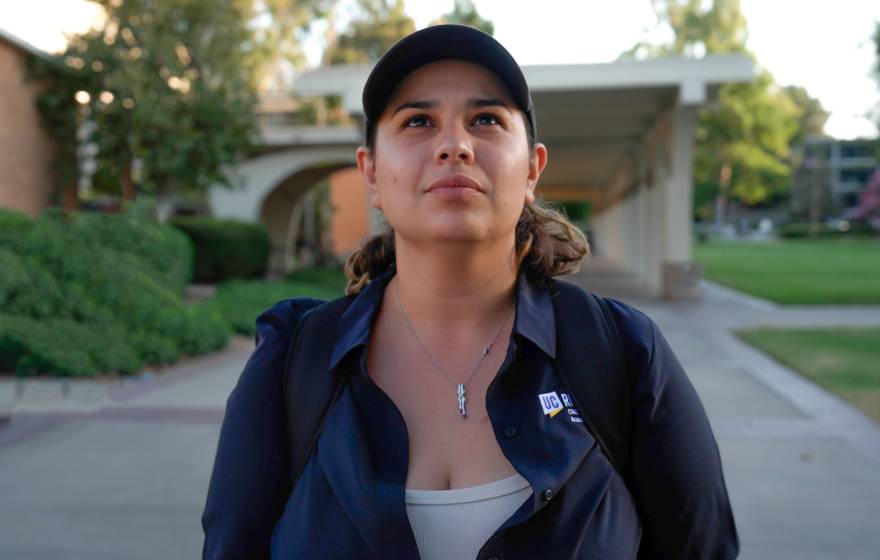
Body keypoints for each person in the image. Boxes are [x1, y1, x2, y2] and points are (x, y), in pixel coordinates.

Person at [202, 25, 739, 560]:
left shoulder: (623, 353)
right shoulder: (294, 363)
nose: (454, 145)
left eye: (486, 120)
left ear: (531, 169)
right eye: (418, 121)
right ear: (371, 174)